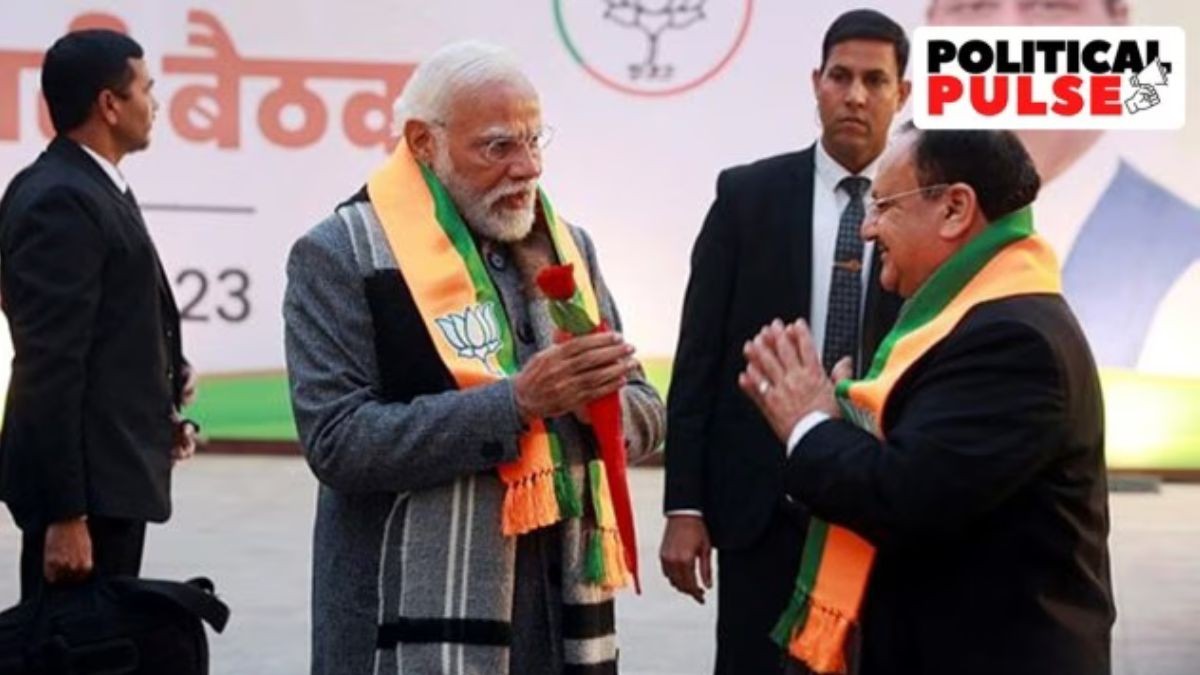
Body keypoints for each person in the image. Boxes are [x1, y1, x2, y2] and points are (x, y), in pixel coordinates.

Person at [283, 41, 665, 675]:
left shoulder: (568, 248)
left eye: (534, 141)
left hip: (558, 618)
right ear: (423, 142)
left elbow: (647, 409)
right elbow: (337, 443)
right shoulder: (342, 254)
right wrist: (517, 404)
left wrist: (600, 410)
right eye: (498, 147)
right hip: (402, 628)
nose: (527, 167)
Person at [740, 127, 1115, 674]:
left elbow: (905, 497)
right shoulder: (979, 318)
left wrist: (809, 424)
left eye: (883, 206)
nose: (867, 229)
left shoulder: (1012, 341)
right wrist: (846, 420)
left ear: (954, 210)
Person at [660, 9, 908, 673]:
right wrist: (684, 505)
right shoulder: (747, 196)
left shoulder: (922, 206)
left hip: (881, 503)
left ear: (903, 94)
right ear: (816, 82)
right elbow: (699, 357)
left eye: (875, 81)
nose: (855, 95)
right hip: (759, 509)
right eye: (840, 76)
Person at [0, 29, 194, 601]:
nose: (155, 104)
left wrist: (161, 405)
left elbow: (112, 332)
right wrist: (66, 514)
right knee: (69, 640)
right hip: (86, 498)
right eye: (147, 90)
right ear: (110, 104)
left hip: (111, 480)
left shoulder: (92, 185)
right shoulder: (60, 199)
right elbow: (50, 366)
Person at [926, 0, 1200, 373]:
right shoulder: (884, 237)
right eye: (973, 8)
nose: (1008, 38)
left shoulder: (1185, 255)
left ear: (1118, 27)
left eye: (1048, 7)